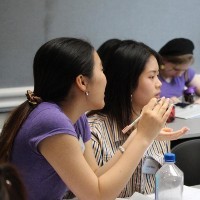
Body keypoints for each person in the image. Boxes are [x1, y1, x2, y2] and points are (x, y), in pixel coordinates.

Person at [0, 37, 172, 200]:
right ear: (82, 82)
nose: (106, 79)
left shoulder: (77, 117)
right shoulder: (51, 121)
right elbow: (97, 196)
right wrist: (143, 138)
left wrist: (138, 134)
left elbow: (96, 175)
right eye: (102, 70)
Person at [87, 39, 188, 197]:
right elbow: (90, 192)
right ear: (128, 82)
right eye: (152, 76)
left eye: (158, 75)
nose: (159, 84)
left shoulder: (156, 124)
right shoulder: (94, 132)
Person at [158, 38, 200, 104]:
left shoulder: (186, 73)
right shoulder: (153, 76)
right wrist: (163, 103)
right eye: (175, 69)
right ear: (163, 61)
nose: (180, 74)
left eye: (184, 70)